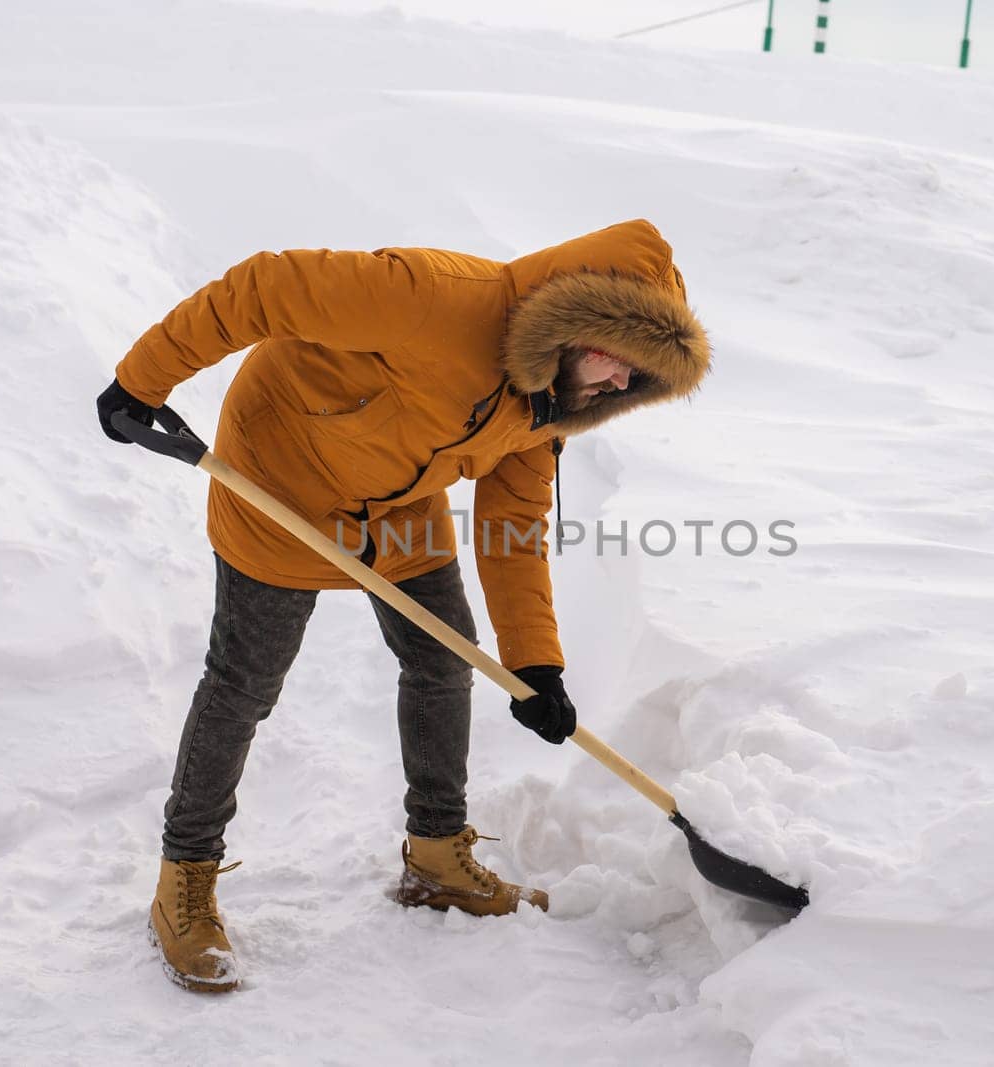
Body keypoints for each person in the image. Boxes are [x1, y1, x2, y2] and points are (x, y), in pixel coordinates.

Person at [96, 219, 711, 992]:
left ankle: (436, 855)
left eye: (641, 377)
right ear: (580, 320)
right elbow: (265, 287)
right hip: (278, 472)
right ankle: (183, 879)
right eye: (624, 361)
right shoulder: (436, 299)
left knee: (444, 656)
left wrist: (535, 664)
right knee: (245, 683)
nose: (623, 385)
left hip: (396, 500)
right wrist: (143, 379)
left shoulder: (546, 403)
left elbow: (512, 528)